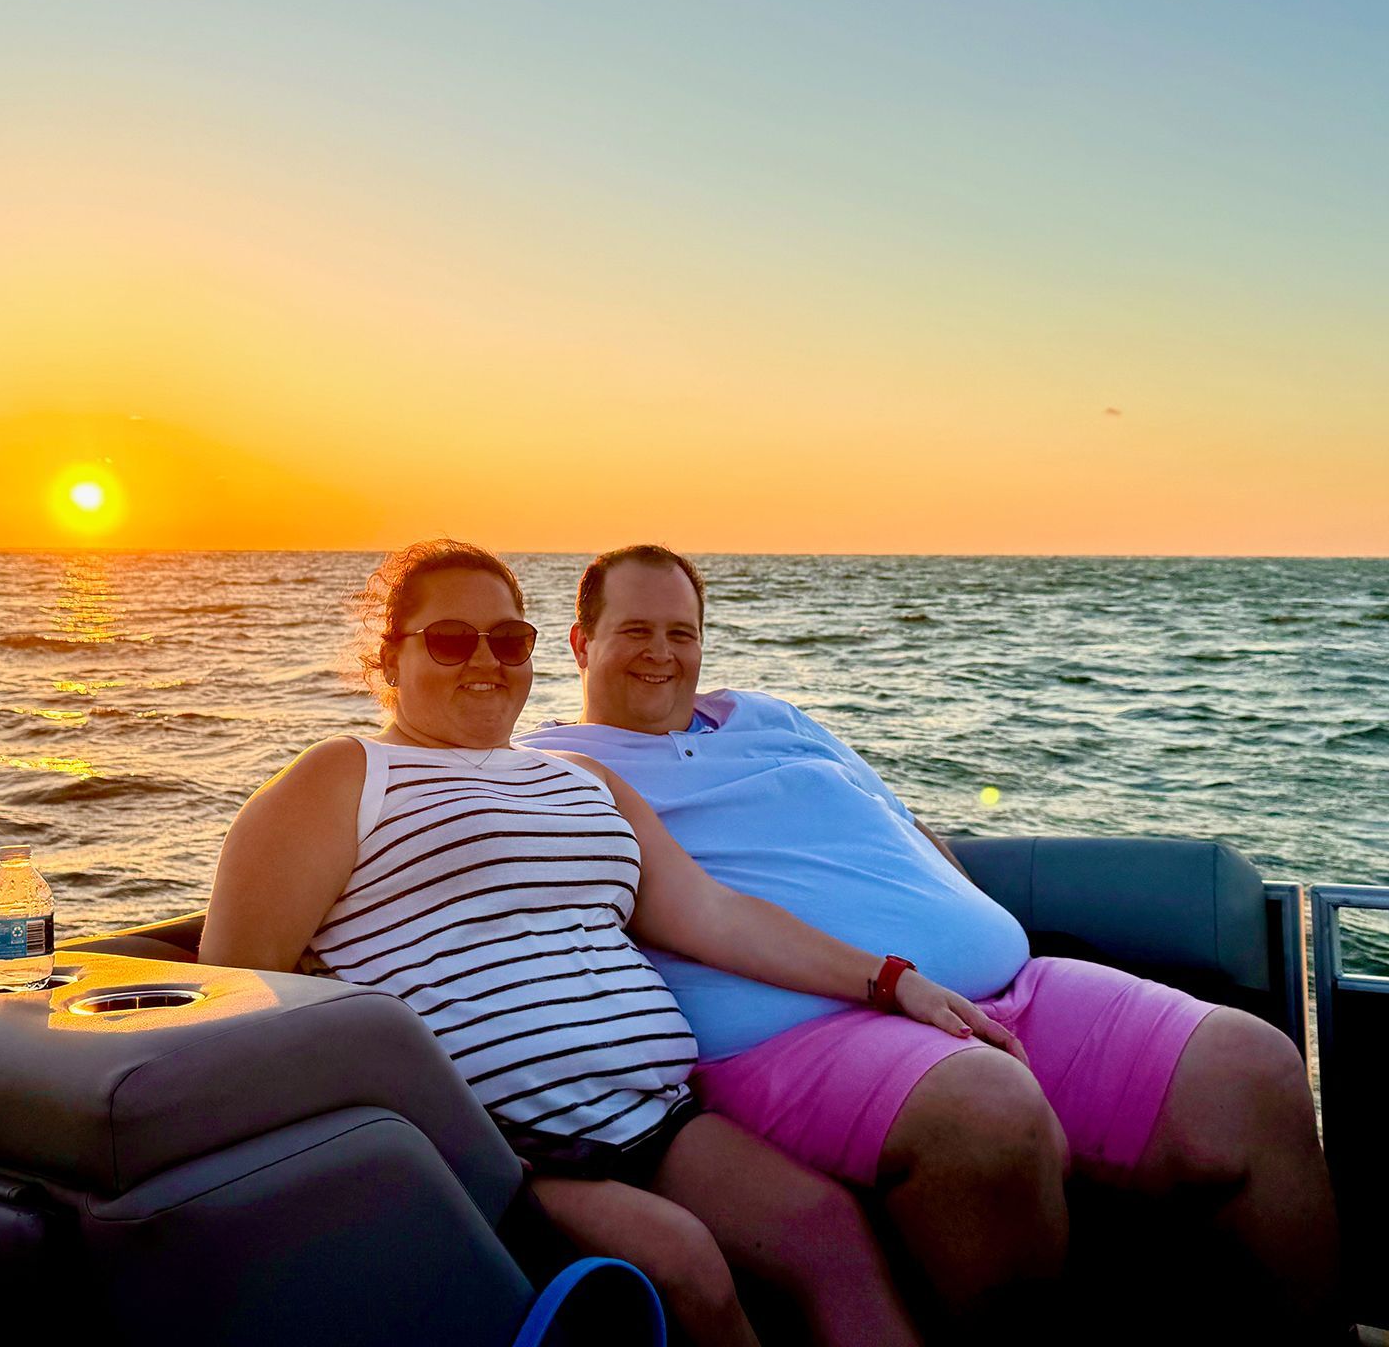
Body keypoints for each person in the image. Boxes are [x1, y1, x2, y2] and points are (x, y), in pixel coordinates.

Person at [517, 545, 1343, 1339]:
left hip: (998, 990)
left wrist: (961, 919)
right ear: (581, 641)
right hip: (796, 1035)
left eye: (682, 632)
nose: (662, 653)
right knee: (985, 1115)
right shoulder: (550, 771)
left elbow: (905, 824)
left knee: (1254, 1066)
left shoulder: (772, 717)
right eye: (635, 631)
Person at [198, 539, 949, 1346]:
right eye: (452, 639)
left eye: (509, 639)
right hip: (497, 1153)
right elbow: (237, 998)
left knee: (829, 1231)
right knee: (682, 1260)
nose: (485, 661)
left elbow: (714, 914)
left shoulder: (582, 780)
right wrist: (437, 1150)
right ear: (391, 657)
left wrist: (889, 980)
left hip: (656, 1116)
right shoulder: (343, 777)